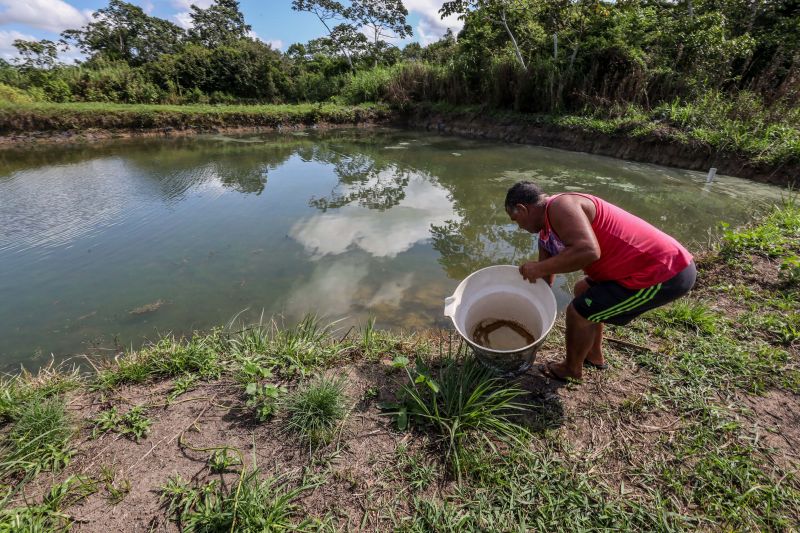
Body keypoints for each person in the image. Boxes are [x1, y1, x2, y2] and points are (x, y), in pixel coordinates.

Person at [505, 181, 696, 381]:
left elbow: (588, 250)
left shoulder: (561, 206)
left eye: (516, 219)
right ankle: (593, 355)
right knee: (581, 290)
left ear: (522, 209)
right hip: (629, 271)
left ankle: (571, 370)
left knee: (578, 312)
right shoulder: (546, 233)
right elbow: (544, 278)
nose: (519, 227)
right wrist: (524, 303)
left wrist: (537, 268)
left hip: (664, 271)